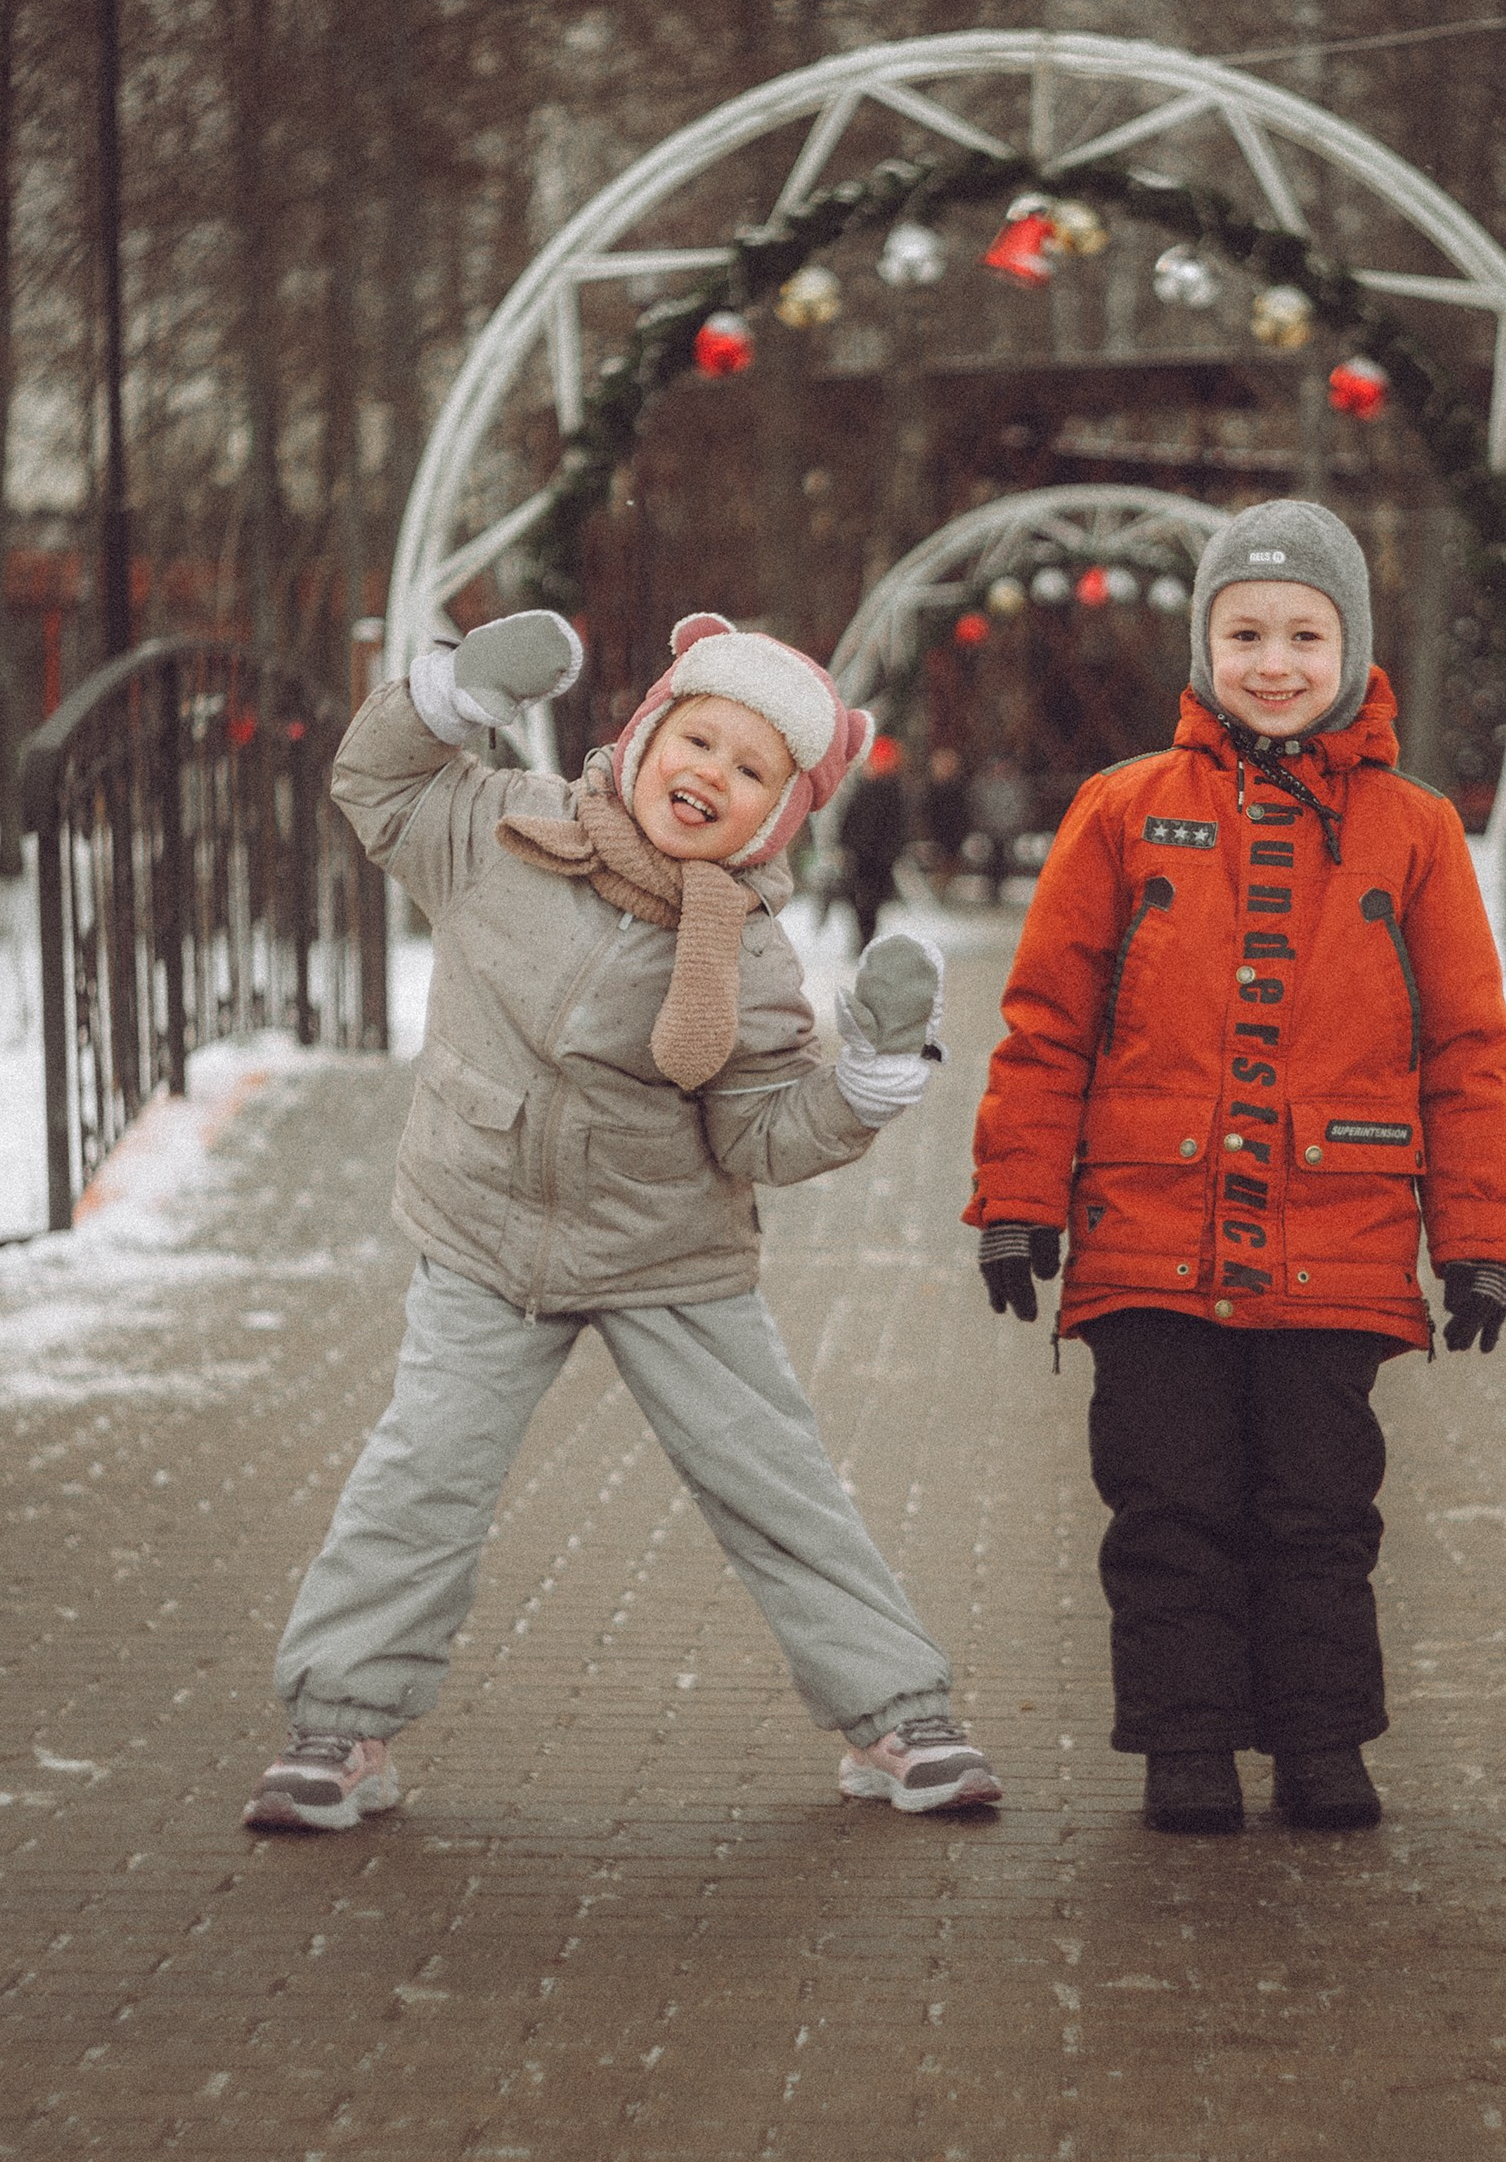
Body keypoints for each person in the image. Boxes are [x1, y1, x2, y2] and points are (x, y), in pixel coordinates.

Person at [245, 608, 1000, 1833]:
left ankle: (895, 1715)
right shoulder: (504, 829)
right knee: (424, 1470)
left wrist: (862, 1083)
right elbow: (374, 782)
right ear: (645, 735)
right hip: (484, 1230)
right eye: (696, 739)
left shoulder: (748, 956)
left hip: (668, 1252)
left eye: (751, 769)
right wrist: (453, 695)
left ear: (775, 816)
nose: (711, 773)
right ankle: (343, 1723)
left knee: (771, 1477)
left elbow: (757, 1130)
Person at [964, 500, 1506, 1835]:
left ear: (1353, 649)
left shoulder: (1415, 831)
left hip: (1335, 1251)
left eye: (1304, 635)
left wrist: (1480, 1239)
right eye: (1245, 634)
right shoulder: (1122, 812)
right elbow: (1049, 1021)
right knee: (1166, 1509)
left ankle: (1323, 1745)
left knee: (1319, 1516)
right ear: (1205, 648)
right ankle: (1186, 1748)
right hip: (1147, 1246)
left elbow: (1464, 1050)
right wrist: (1017, 1202)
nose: (1274, 663)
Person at [838, 732, 908, 948]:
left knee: (870, 900)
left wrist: (892, 850)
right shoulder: (866, 789)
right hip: (862, 853)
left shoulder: (892, 791)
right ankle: (863, 935)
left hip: (878, 855)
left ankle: (865, 936)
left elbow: (898, 825)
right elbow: (849, 819)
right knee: (860, 898)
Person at [968, 754, 1031, 903]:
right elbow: (977, 806)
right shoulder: (983, 785)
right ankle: (991, 888)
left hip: (1007, 829)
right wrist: (982, 823)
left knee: (1004, 859)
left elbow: (1021, 807)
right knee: (989, 859)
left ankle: (999, 887)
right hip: (990, 829)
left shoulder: (1017, 785)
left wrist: (1016, 824)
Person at [922, 744, 970, 901]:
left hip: (954, 832)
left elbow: (963, 812)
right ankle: (937, 888)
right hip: (937, 832)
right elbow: (927, 812)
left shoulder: (958, 787)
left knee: (951, 863)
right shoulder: (931, 788)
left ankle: (940, 887)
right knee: (941, 862)